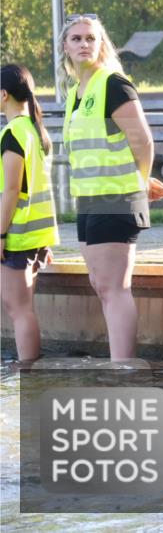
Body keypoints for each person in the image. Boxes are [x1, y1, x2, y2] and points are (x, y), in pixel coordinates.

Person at [58, 13, 163, 361]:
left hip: (117, 198)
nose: (84, 44)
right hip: (89, 200)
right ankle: (118, 363)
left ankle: (123, 368)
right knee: (101, 286)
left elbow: (142, 139)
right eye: (76, 38)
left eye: (91, 38)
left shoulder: (113, 84)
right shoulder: (77, 92)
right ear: (65, 46)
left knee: (114, 288)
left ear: (101, 43)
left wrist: (140, 182)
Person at [1, 64, 58, 363]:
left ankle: (27, 375)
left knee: (18, 310)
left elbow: (11, 191)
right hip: (36, 235)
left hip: (18, 236)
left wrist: (0, 234)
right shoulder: (36, 131)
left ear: (4, 95)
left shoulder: (12, 133)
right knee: (24, 308)